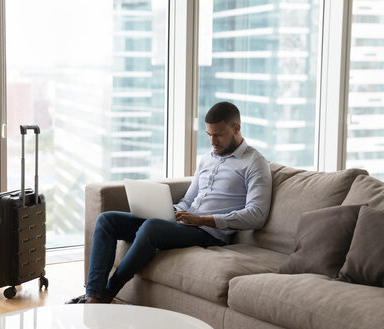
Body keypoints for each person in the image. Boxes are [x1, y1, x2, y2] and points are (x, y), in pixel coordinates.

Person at [66, 101, 272, 304]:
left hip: (209, 234)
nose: (212, 142)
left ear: (236, 128)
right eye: (209, 135)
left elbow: (257, 215)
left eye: (218, 134)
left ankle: (107, 293)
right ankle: (93, 294)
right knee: (107, 220)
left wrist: (203, 219)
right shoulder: (208, 159)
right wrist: (171, 210)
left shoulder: (254, 162)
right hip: (185, 224)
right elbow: (189, 200)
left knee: (152, 227)